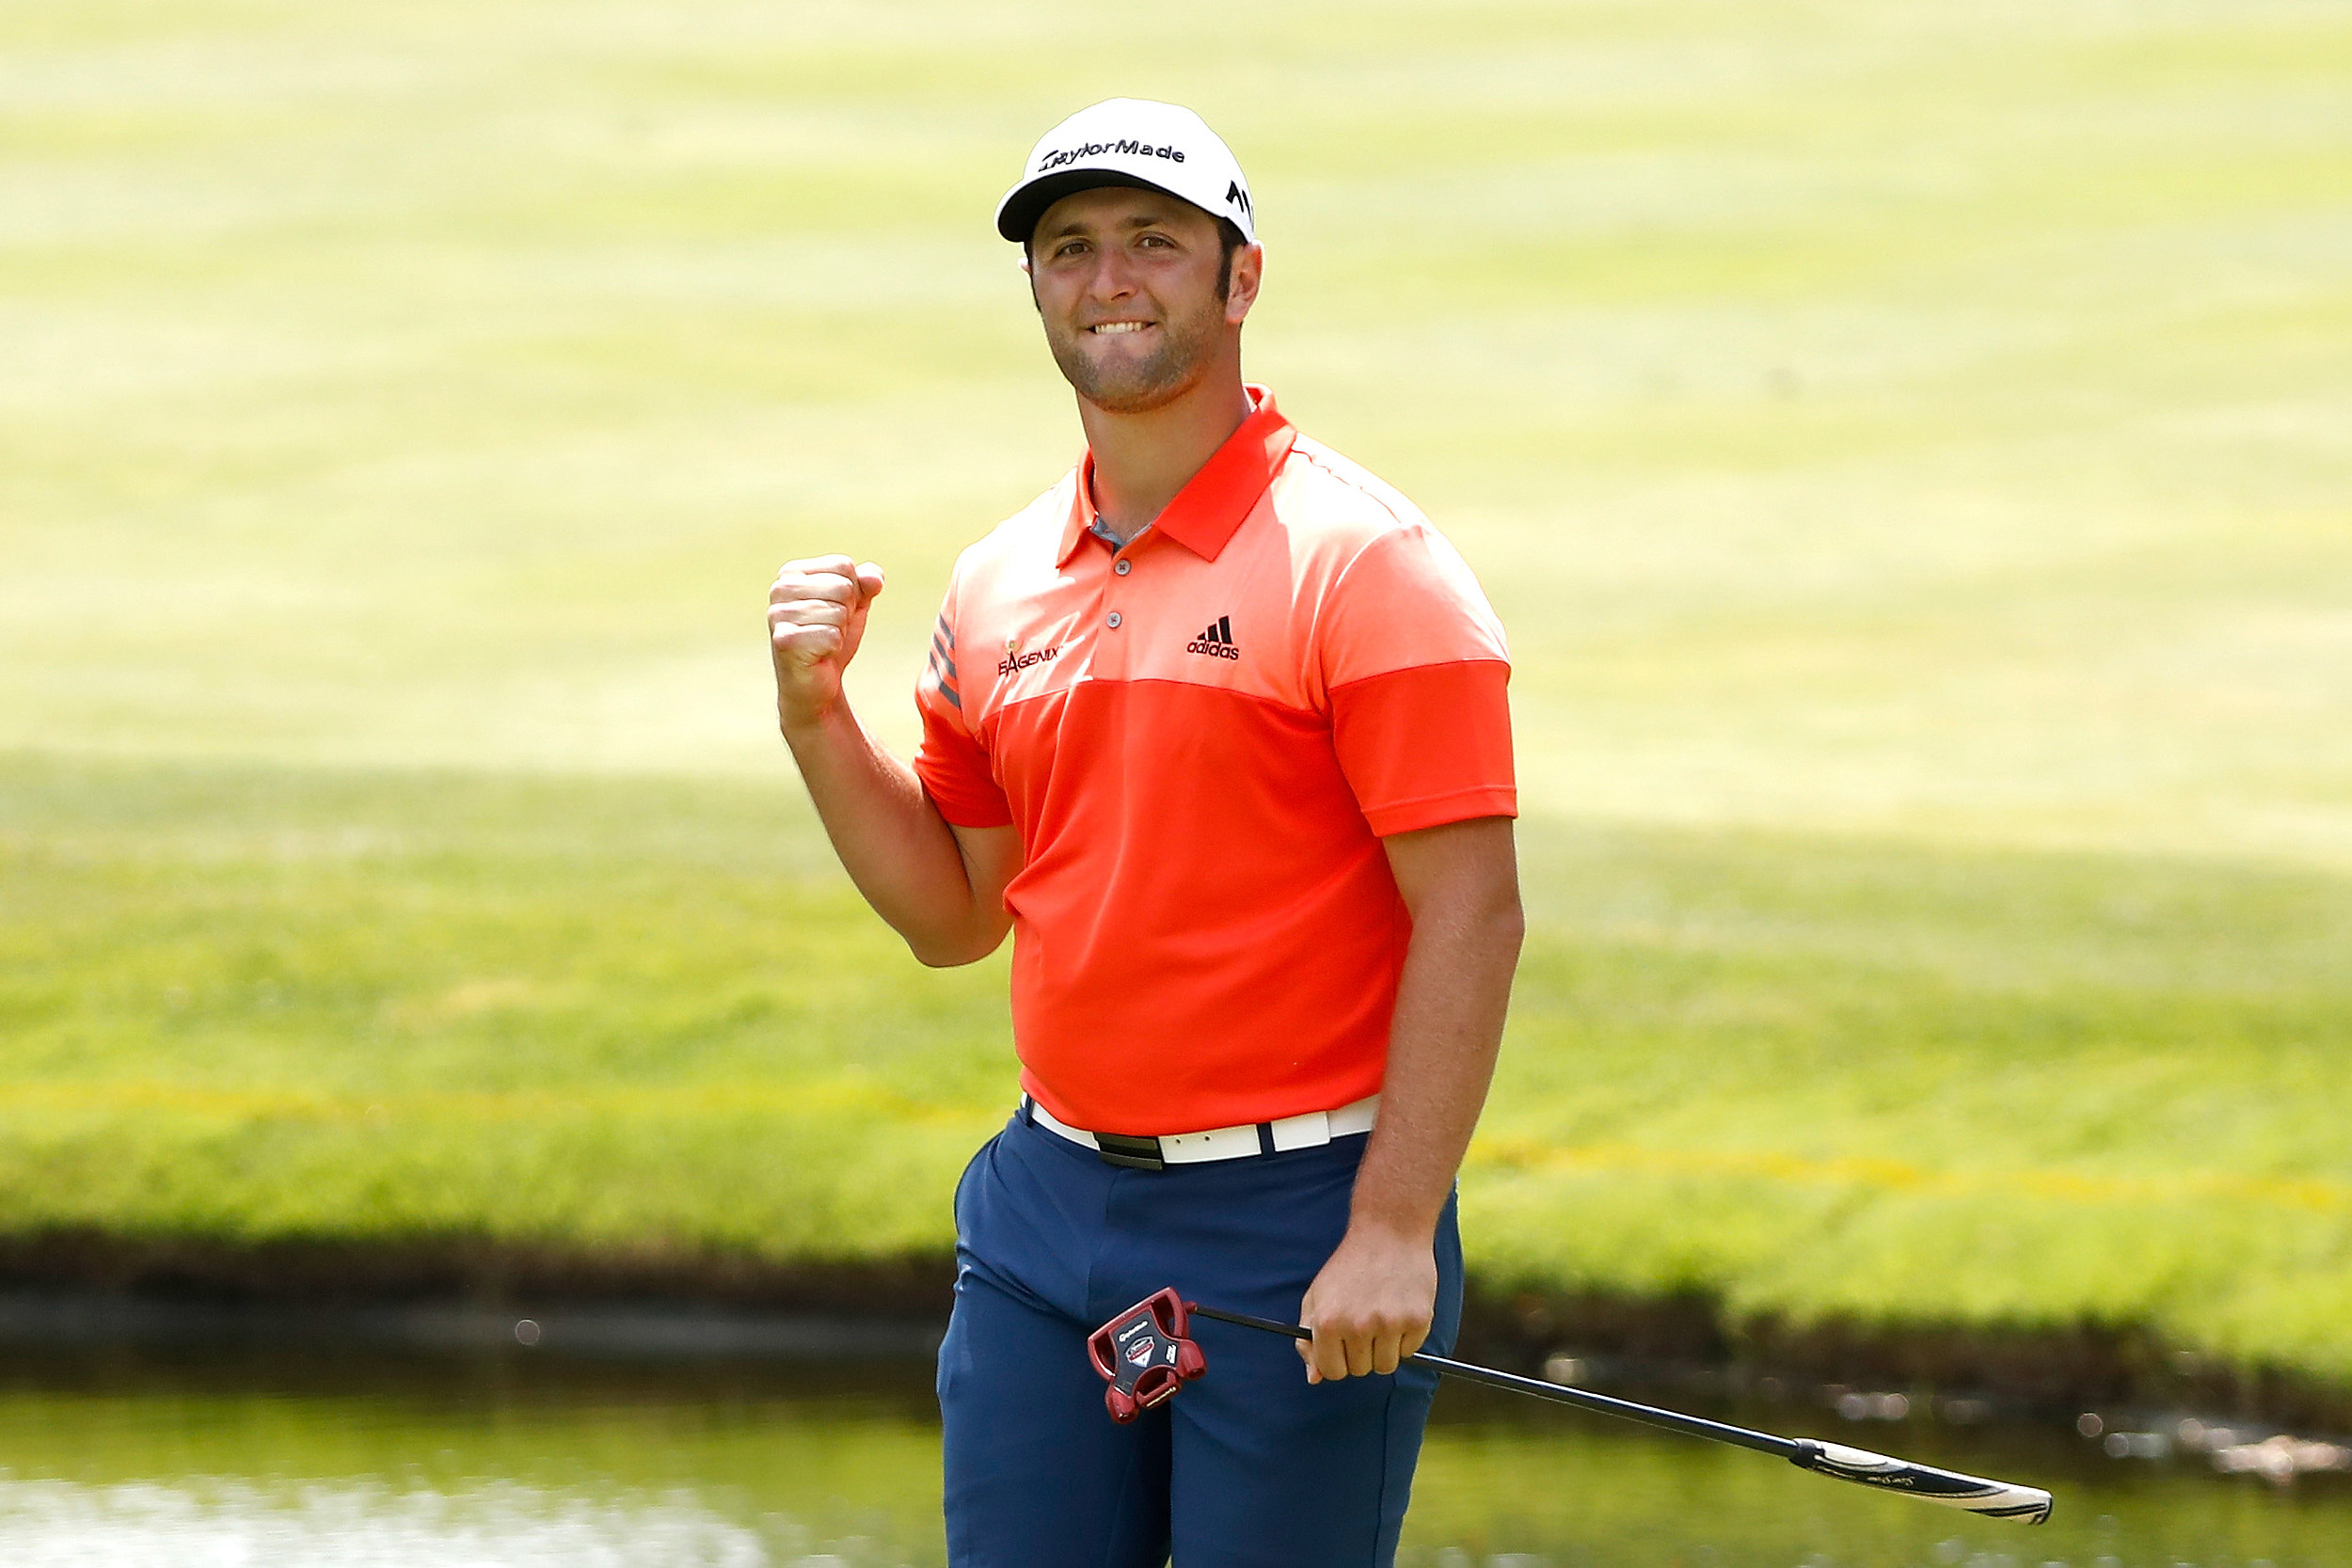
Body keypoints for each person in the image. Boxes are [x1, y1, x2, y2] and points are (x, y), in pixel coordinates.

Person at [767, 98, 1522, 1568]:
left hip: (1301, 1213)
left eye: (1155, 244)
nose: (1109, 278)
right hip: (1052, 1218)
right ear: (1035, 288)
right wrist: (818, 724)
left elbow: (1472, 913)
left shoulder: (1368, 568)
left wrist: (1391, 1225)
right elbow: (953, 918)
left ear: (1239, 279)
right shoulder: (996, 586)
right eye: (1070, 249)